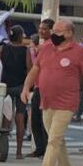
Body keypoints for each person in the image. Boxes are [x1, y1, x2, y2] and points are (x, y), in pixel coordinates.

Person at [21, 19, 83, 166]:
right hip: (47, 101)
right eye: (53, 30)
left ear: (69, 33)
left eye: (58, 32)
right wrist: (26, 87)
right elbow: (35, 69)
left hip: (67, 103)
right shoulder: (46, 48)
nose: (54, 34)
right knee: (57, 140)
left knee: (53, 140)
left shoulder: (80, 52)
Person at [0, 25, 32, 159]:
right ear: (20, 37)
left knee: (6, 116)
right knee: (20, 118)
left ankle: (2, 144)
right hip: (20, 87)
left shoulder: (2, 48)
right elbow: (30, 69)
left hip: (5, 86)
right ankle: (18, 151)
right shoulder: (25, 51)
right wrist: (28, 87)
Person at [29, 19, 53, 157]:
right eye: (40, 28)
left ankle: (42, 148)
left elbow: (37, 66)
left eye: (44, 29)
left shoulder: (47, 47)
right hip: (39, 85)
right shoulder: (44, 46)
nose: (41, 31)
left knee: (41, 119)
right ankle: (41, 148)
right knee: (38, 118)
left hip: (43, 86)